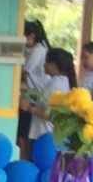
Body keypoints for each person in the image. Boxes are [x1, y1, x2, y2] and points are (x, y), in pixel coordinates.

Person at [26, 48, 75, 143]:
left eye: (46, 62)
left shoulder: (56, 84)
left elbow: (51, 114)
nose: (44, 65)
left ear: (53, 65)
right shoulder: (60, 81)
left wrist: (29, 107)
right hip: (46, 134)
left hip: (45, 134)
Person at [17, 19, 49, 149]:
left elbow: (24, 71)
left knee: (24, 126)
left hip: (36, 91)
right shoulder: (29, 49)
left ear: (31, 36)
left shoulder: (39, 50)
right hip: (30, 89)